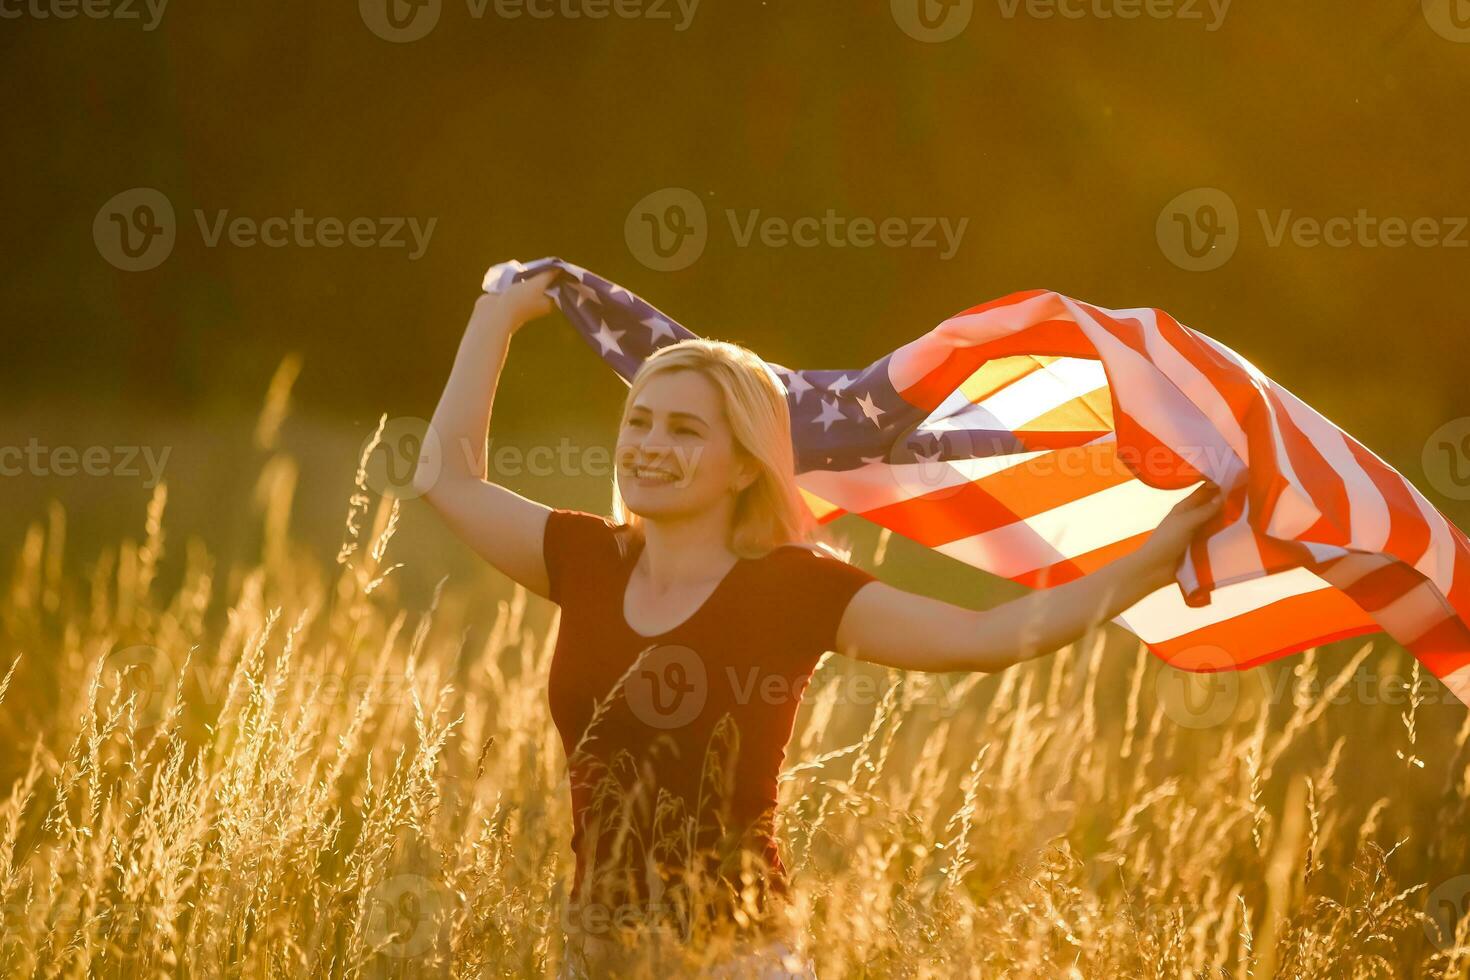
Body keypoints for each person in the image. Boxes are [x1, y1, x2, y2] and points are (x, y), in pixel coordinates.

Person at [414, 269, 1224, 977]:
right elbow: (446, 478)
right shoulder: (586, 558)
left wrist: (1149, 564)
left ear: (744, 466)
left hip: (736, 962)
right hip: (593, 958)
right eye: (640, 421)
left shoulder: (793, 591)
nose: (650, 445)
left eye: (686, 429)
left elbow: (984, 640)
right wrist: (498, 313)